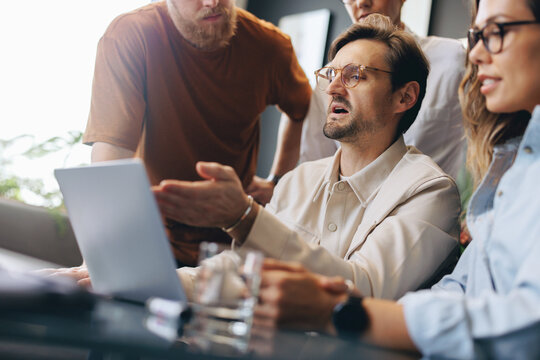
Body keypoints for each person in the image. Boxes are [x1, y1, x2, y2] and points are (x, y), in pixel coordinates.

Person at [255, 0, 540, 358]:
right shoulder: (513, 165)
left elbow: (527, 329)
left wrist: (341, 314)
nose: (478, 53)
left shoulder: (430, 190)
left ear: (406, 97)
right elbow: (460, 288)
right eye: (477, 35)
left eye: (497, 31)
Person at [155, 15, 461, 300]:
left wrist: (246, 219)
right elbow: (239, 269)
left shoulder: (431, 192)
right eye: (331, 74)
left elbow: (363, 289)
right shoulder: (299, 180)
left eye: (355, 76)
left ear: (404, 97)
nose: (333, 89)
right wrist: (159, 284)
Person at [82, 0, 312, 267]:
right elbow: (112, 151)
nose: (212, 3)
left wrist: (277, 182)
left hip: (231, 245)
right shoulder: (132, 34)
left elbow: (301, 111)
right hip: (152, 236)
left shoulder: (270, 46)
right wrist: (99, 258)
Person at [297, 0, 466, 180]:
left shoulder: (452, 58)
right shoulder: (328, 79)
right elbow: (316, 163)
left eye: (356, 76)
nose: (361, 2)